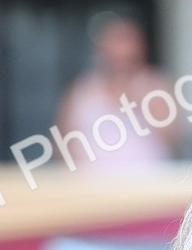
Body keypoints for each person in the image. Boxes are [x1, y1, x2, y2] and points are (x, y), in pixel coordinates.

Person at [55, 15, 181, 170]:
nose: (120, 55)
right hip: (90, 186)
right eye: (115, 42)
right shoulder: (81, 90)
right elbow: (61, 144)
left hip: (148, 185)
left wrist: (143, 102)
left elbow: (174, 139)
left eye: (126, 42)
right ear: (100, 50)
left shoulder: (156, 85)